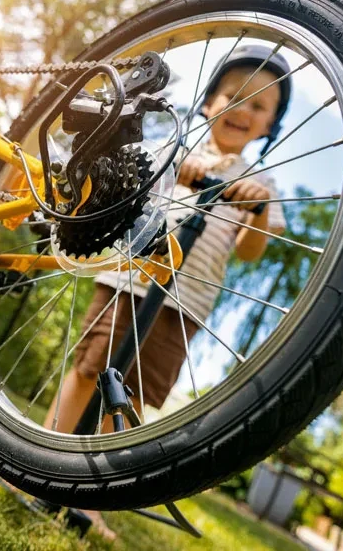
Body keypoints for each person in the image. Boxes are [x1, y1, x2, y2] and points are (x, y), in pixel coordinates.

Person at [41, 45, 292, 540]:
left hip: (186, 303)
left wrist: (257, 210)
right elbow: (135, 186)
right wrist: (182, 171)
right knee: (92, 366)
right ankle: (42, 456)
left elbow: (249, 252)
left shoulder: (261, 180)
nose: (244, 109)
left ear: (269, 126)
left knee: (130, 397)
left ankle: (91, 499)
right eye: (234, 95)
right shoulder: (179, 148)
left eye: (260, 105)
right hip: (131, 279)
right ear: (209, 103)